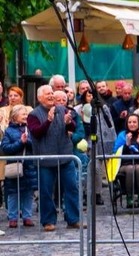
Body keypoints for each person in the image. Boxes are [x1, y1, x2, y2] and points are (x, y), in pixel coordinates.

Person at [27, 84, 84, 231]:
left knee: (72, 187)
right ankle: (48, 221)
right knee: (46, 191)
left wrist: (68, 122)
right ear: (40, 97)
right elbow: (36, 133)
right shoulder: (33, 115)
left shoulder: (62, 109)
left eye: (52, 93)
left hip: (65, 156)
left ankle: (73, 219)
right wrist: (48, 121)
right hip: (45, 159)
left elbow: (72, 128)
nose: (51, 96)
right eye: (48, 94)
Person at [108, 113, 139, 208]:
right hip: (124, 163)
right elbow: (116, 151)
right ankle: (129, 197)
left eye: (134, 122)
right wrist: (126, 144)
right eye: (130, 122)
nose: (132, 124)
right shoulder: (122, 135)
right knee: (130, 169)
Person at [2, 105, 36, 227]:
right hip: (15, 165)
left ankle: (27, 216)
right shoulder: (9, 131)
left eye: (26, 114)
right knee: (13, 193)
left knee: (28, 192)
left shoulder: (30, 129)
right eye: (23, 114)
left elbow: (36, 146)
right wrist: (20, 142)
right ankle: (13, 217)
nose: (25, 117)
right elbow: (5, 148)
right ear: (15, 117)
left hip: (29, 166)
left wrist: (28, 141)